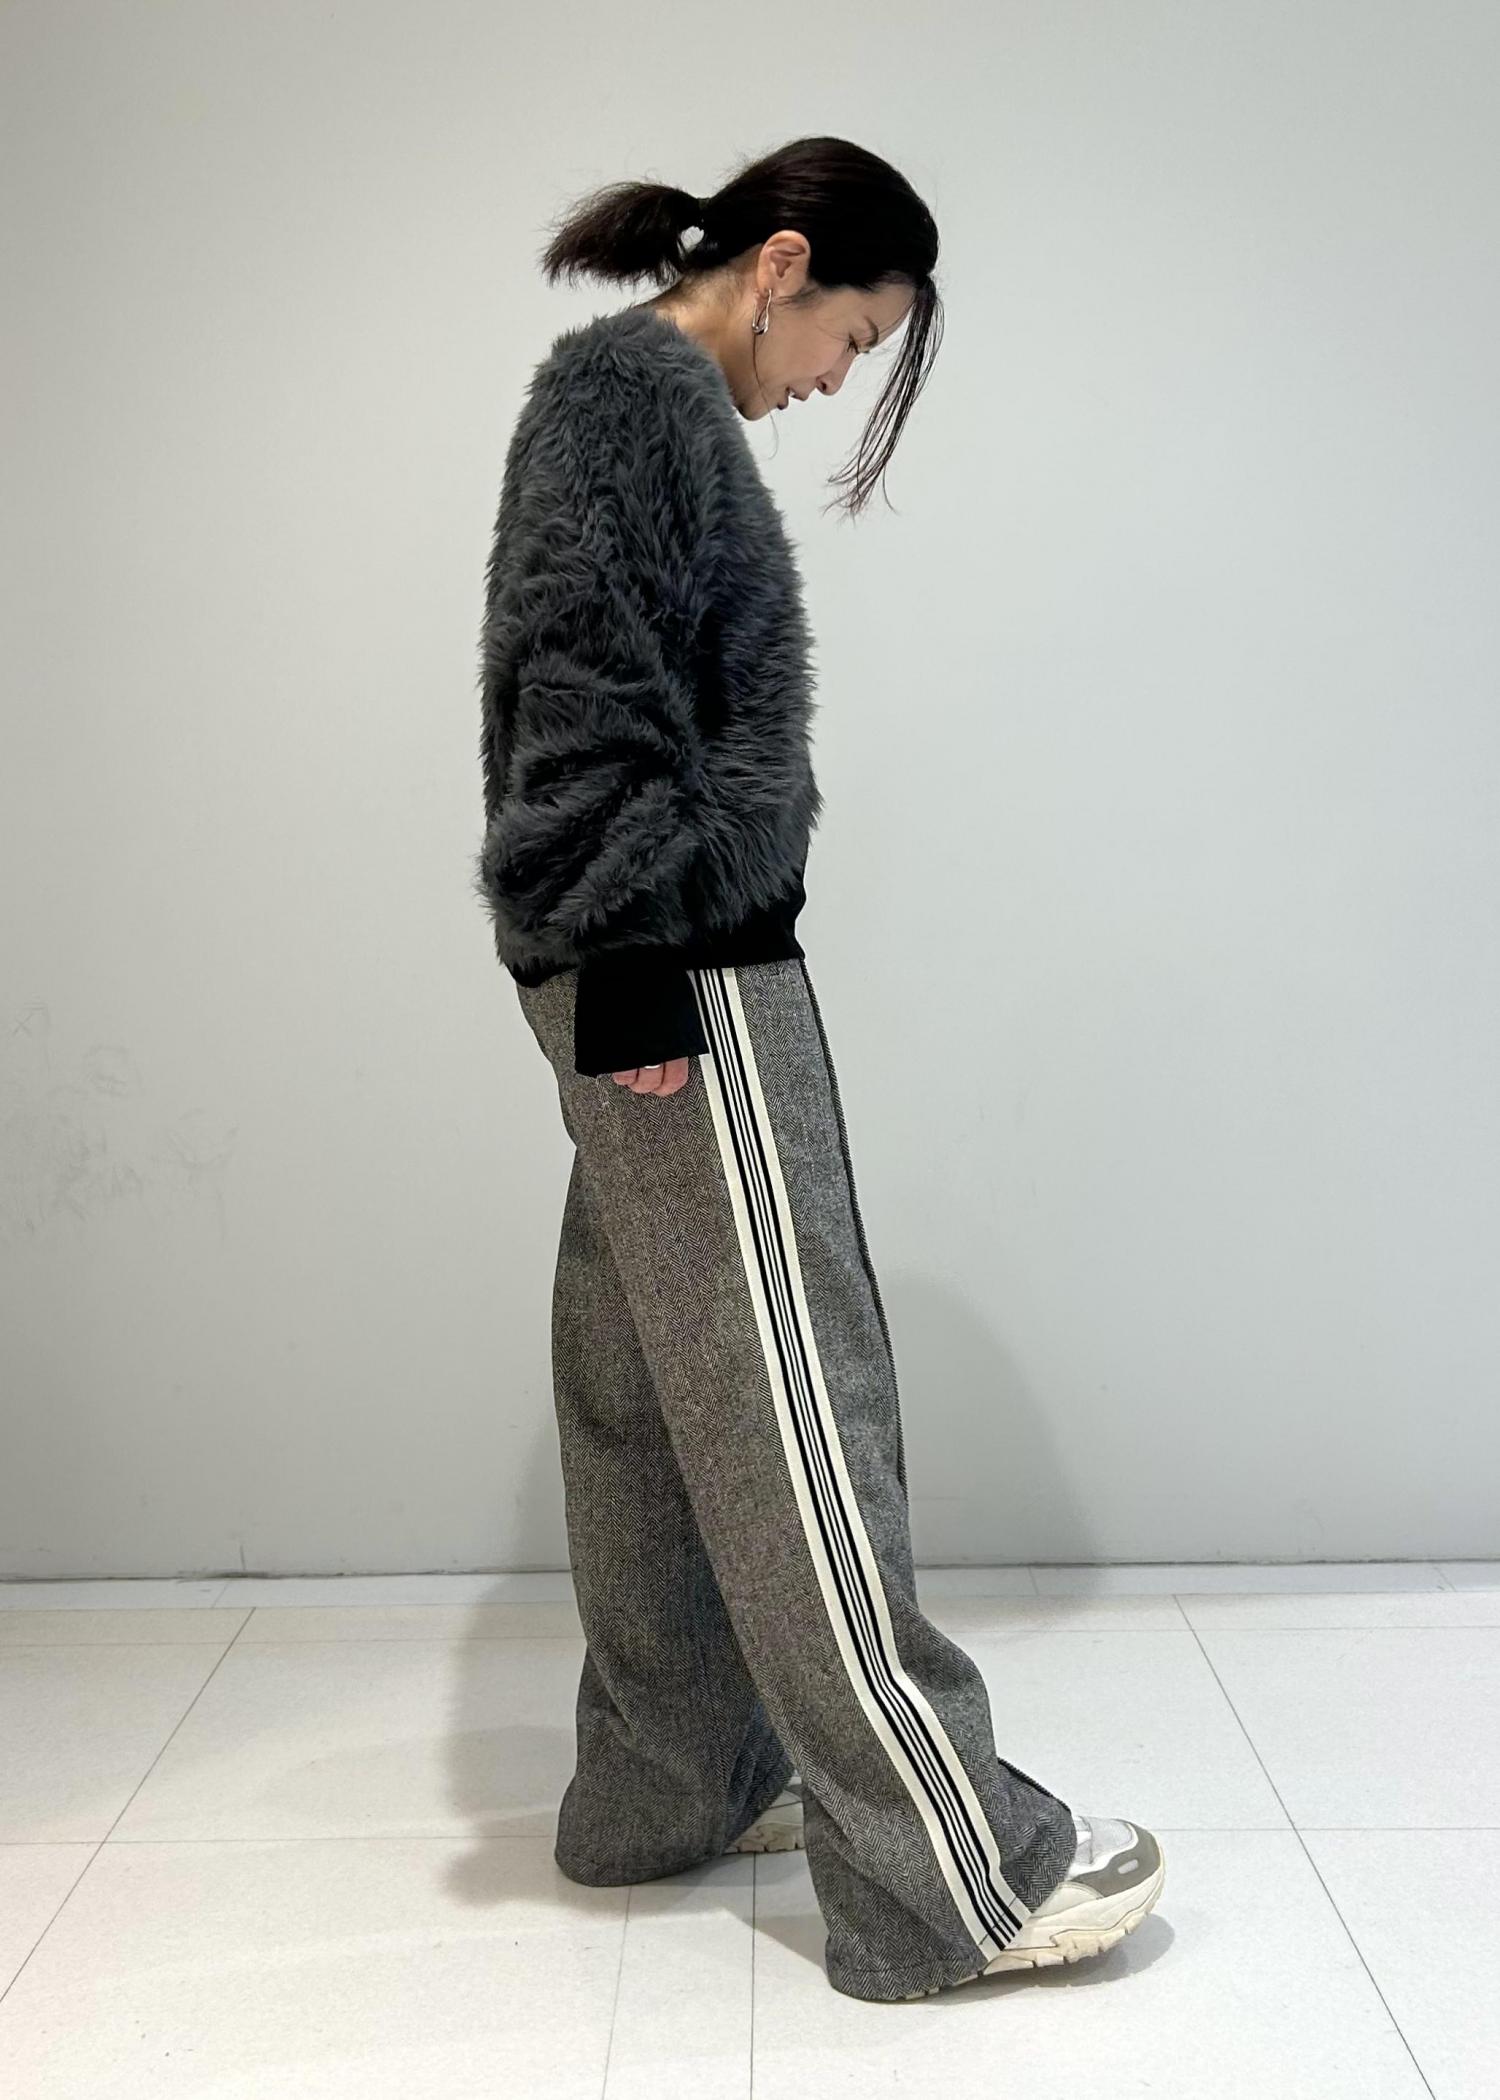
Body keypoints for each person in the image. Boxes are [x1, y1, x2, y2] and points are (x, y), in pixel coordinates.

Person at [472, 133, 1165, 2005]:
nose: (842, 379)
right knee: (793, 1401)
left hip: (630, 952)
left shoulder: (628, 404)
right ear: (781, 267)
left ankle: (667, 1786)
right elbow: (575, 673)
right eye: (853, 336)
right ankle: (954, 1877)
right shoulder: (636, 403)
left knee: (644, 1387)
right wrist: (635, 962)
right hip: (672, 969)